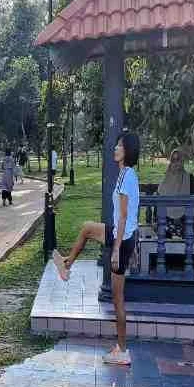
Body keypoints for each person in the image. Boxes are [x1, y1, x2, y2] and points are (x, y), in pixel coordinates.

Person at [51, 133, 141, 366]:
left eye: (120, 146)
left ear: (128, 151)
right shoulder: (127, 174)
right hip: (124, 236)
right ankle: (67, 265)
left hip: (122, 238)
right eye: (117, 144)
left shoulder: (127, 177)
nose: (116, 148)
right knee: (87, 229)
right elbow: (131, 213)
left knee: (118, 300)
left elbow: (124, 216)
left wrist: (117, 249)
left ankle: (123, 351)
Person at [157, 149, 194, 238]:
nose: (176, 163)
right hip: (166, 220)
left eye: (178, 160)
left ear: (182, 161)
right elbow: (159, 198)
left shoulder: (189, 178)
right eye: (173, 160)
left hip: (185, 219)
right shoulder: (166, 178)